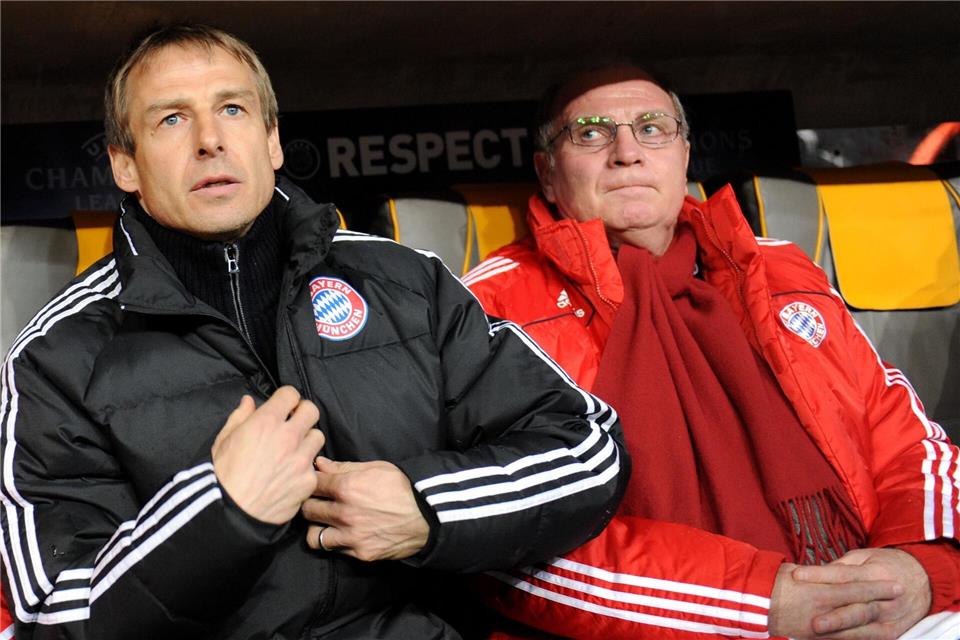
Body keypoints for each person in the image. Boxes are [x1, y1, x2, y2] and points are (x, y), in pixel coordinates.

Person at [0, 25, 629, 639]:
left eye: (233, 109)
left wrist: (428, 507)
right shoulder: (57, 356)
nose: (210, 141)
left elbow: (588, 449)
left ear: (272, 140)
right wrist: (218, 512)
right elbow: (53, 614)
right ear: (124, 165)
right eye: (171, 119)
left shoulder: (405, 282)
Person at [464, 65, 960, 640]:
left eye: (652, 128)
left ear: (684, 155)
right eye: (592, 133)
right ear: (547, 172)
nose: (627, 153)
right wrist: (761, 604)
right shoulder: (491, 308)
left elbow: (906, 439)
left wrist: (920, 567)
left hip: (866, 595)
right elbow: (510, 534)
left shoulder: (777, 267)